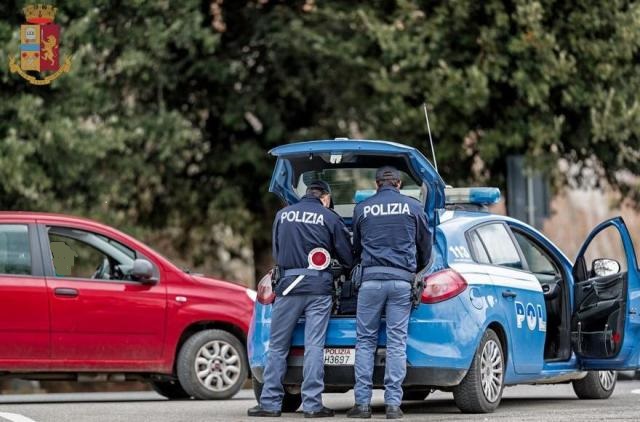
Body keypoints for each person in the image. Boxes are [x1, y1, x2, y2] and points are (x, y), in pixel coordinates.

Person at [248, 180, 353, 418]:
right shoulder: (329, 217)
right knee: (314, 345)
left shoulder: (282, 215)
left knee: (277, 345)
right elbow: (346, 256)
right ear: (325, 198)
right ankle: (313, 406)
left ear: (306, 194)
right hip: (319, 289)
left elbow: (277, 252)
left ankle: (270, 404)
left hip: (287, 288)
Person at [347, 167, 432, 420]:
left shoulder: (363, 208)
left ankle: (362, 405)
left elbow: (355, 248)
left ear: (376, 184)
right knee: (396, 343)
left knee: (365, 342)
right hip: (401, 282)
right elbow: (425, 246)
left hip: (371, 282)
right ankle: (393, 405)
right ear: (399, 183)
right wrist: (415, 269)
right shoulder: (413, 207)